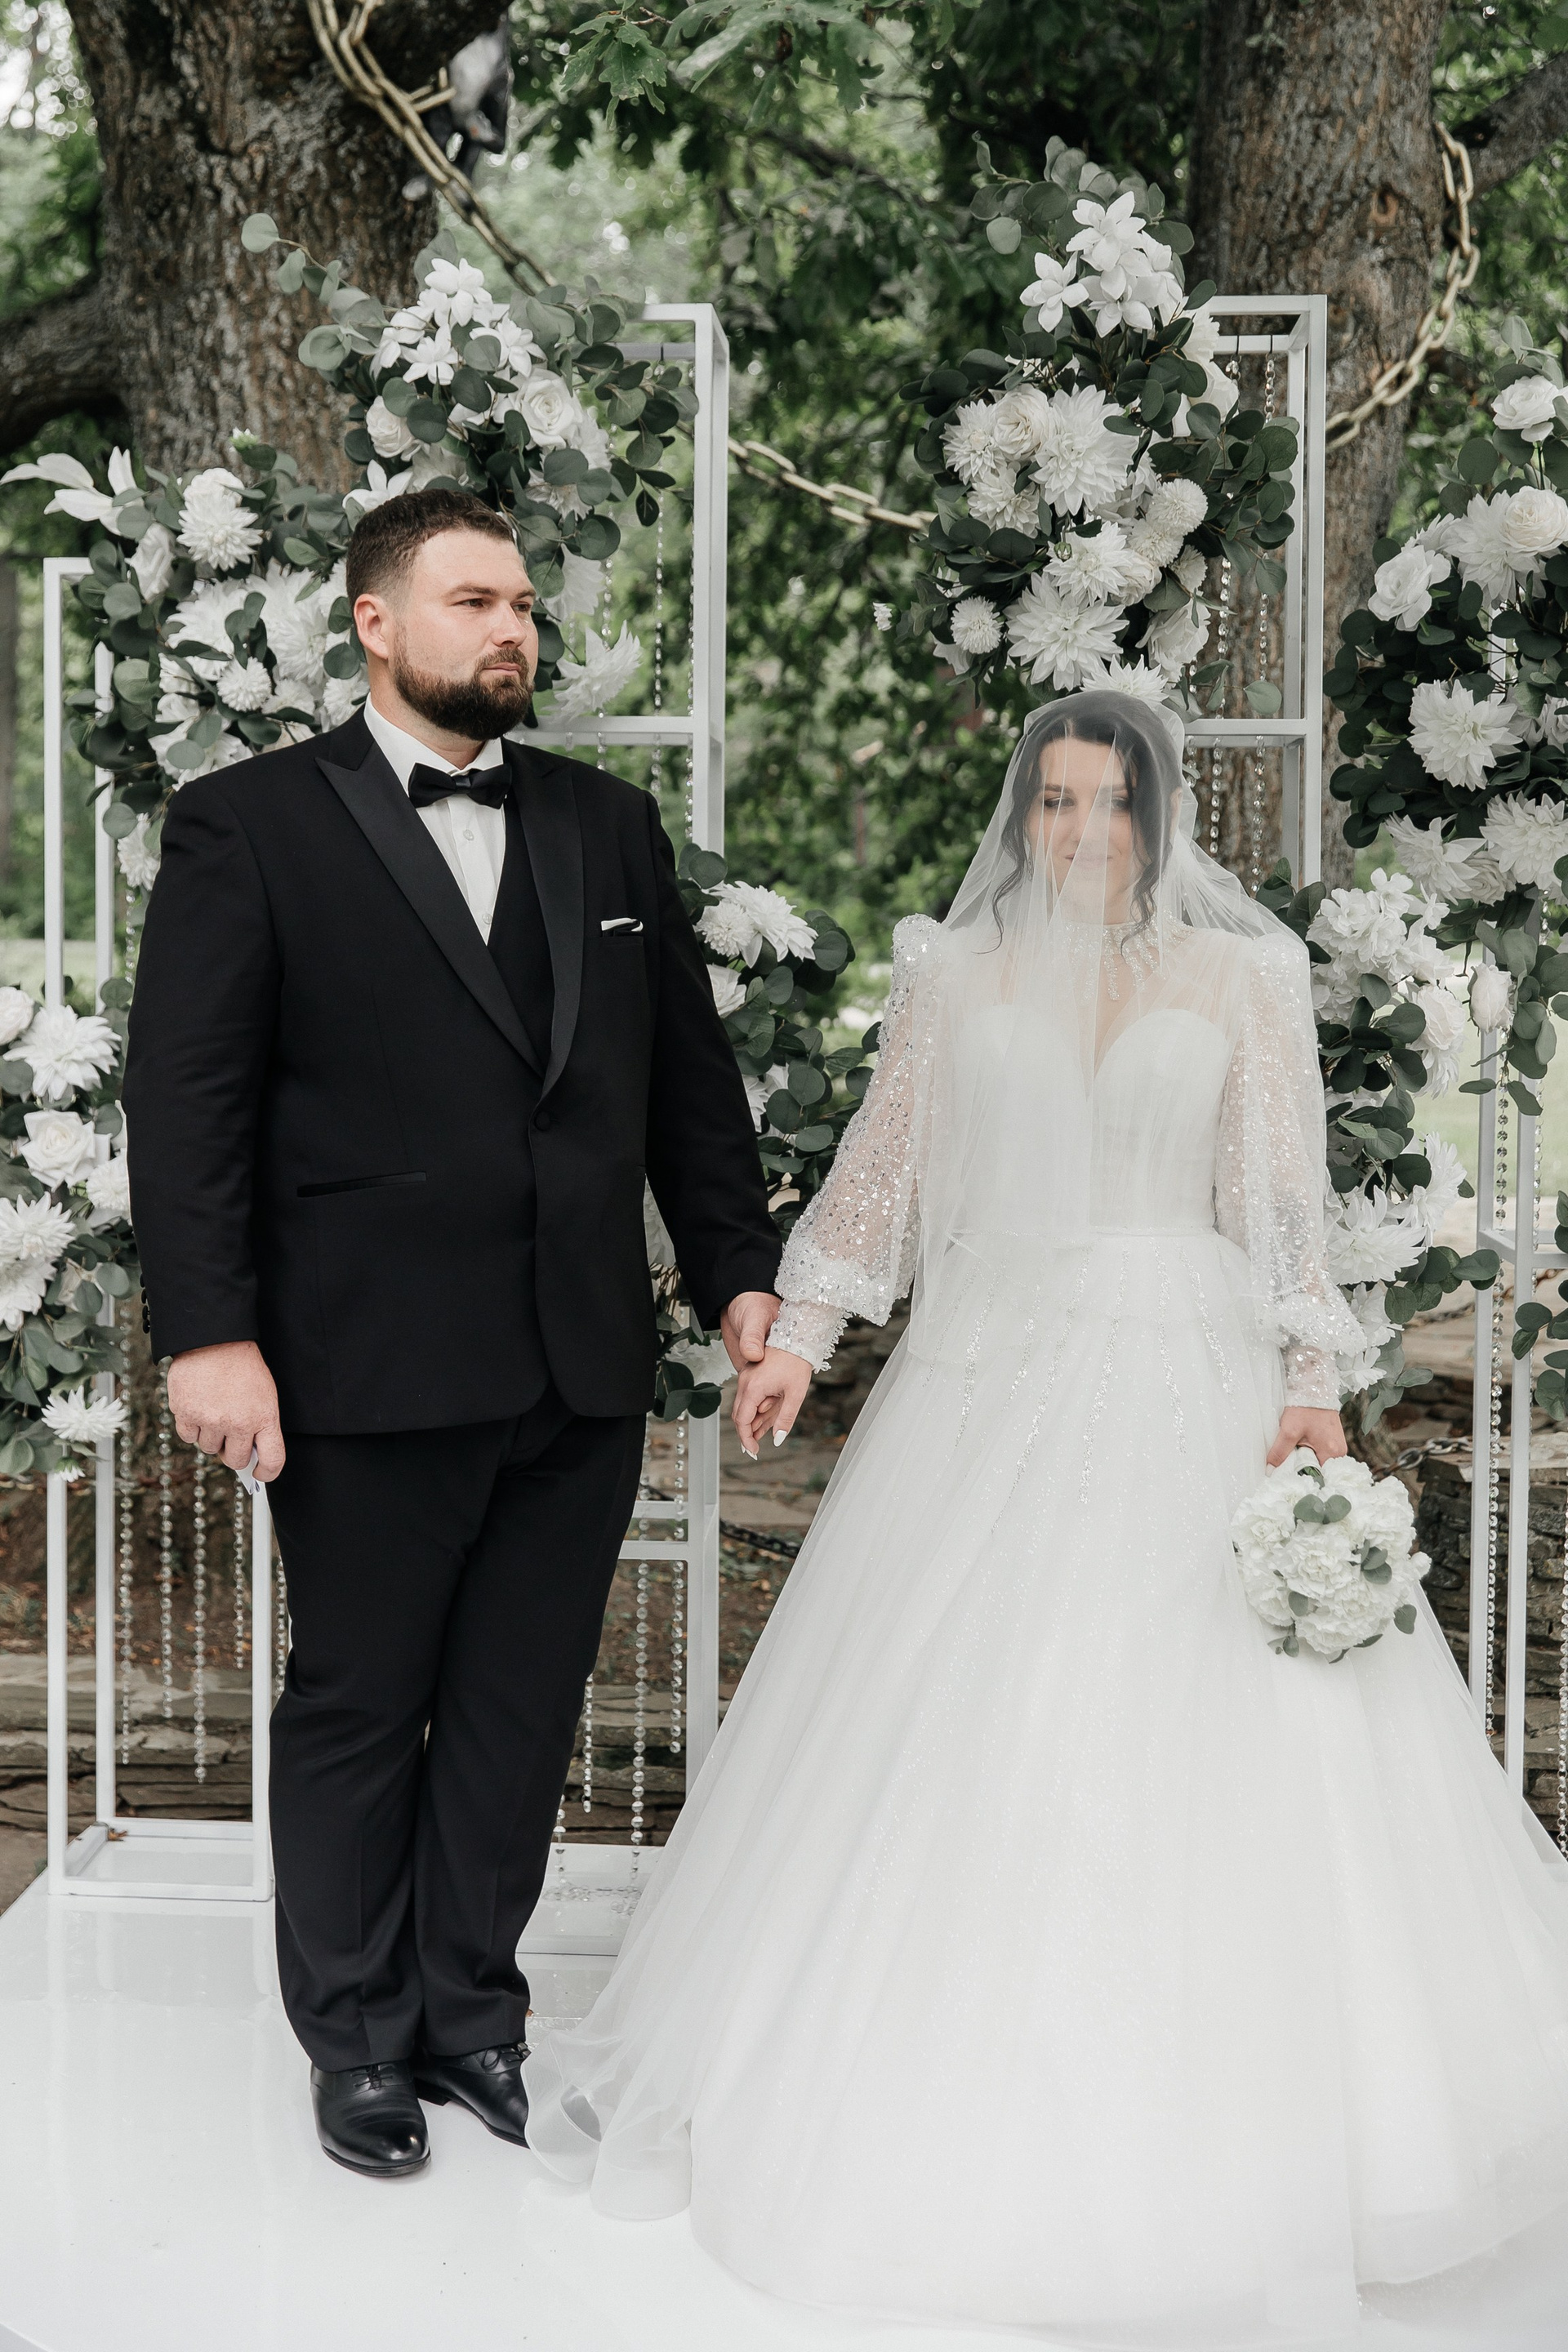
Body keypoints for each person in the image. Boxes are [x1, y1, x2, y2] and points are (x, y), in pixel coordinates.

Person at [525, 688, 1568, 2341]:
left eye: (1115, 803)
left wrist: (1311, 1377)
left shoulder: (1244, 974)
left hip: (1182, 1366)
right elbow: (883, 1174)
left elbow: (1278, 1193)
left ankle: (1273, 2137)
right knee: (966, 1703)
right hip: (988, 1374)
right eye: (1058, 802)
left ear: (1163, 817)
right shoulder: (954, 971)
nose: (1084, 833)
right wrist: (799, 1338)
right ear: (1024, 815)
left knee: (1207, 1719)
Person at [122, 486, 782, 2178]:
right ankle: (353, 2039)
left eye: (525, 607)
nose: (512, 631)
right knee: (361, 1697)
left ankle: (470, 2011)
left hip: (575, 1359)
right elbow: (188, 1106)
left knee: (520, 1705)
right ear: (375, 622)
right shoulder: (247, 826)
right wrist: (209, 1335)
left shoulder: (605, 826)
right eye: (476, 602)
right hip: (360, 1357)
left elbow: (685, 1087)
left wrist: (740, 1274)